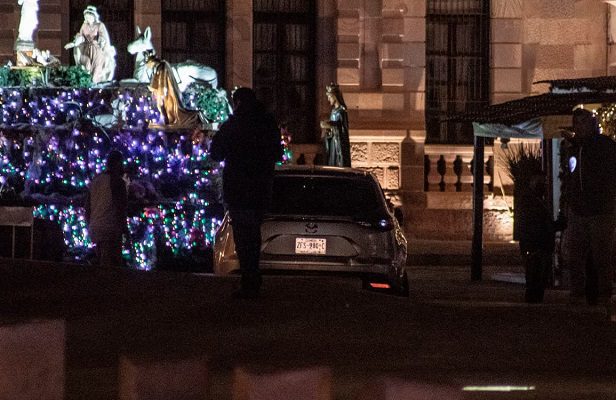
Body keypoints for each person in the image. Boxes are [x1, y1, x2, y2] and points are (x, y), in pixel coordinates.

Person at [210, 87, 282, 298]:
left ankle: (250, 280)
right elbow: (277, 153)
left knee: (243, 236)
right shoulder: (267, 124)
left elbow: (216, 152)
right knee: (253, 234)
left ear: (238, 103)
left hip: (239, 189)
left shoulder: (235, 124)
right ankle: (253, 278)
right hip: (260, 188)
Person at [562, 108, 616, 306]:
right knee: (575, 253)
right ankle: (577, 292)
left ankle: (603, 293)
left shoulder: (605, 146)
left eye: (583, 123)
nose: (579, 127)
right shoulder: (574, 148)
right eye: (577, 123)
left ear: (592, 125)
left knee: (601, 253)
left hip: (600, 210)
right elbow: (571, 176)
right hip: (578, 209)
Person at [517, 174, 560, 303]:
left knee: (535, 278)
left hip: (534, 246)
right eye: (543, 184)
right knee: (536, 277)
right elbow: (542, 225)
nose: (545, 187)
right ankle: (534, 301)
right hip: (537, 246)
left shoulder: (533, 202)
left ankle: (533, 300)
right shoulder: (534, 203)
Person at [85, 150, 128, 268]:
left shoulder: (96, 180)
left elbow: (87, 207)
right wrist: (124, 228)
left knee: (101, 261)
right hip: (110, 228)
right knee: (110, 264)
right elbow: (120, 207)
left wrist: (90, 225)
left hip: (95, 227)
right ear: (118, 163)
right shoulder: (118, 182)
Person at [64, 5, 116, 83]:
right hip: (87, 49)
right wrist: (74, 43)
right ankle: (87, 84)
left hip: (97, 49)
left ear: (93, 16)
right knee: (86, 66)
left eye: (89, 17)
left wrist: (101, 40)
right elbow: (81, 37)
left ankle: (95, 84)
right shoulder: (84, 25)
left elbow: (103, 36)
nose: (87, 19)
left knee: (97, 67)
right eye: (86, 17)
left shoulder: (100, 25)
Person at [320, 82, 351, 167]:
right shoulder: (333, 111)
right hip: (333, 143)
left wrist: (330, 124)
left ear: (334, 96)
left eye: (329, 97)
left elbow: (342, 128)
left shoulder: (342, 111)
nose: (328, 99)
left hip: (339, 145)